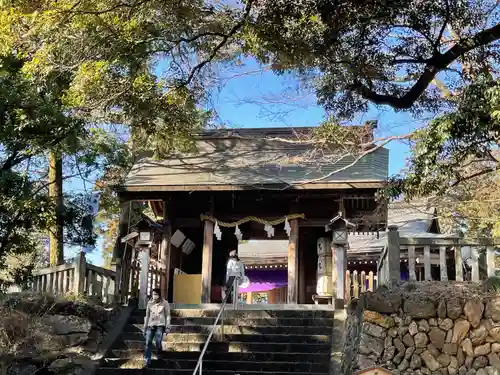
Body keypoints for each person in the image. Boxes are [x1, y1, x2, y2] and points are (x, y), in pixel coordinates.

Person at [143, 288, 171, 366]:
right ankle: (147, 359)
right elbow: (147, 316)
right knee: (148, 342)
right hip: (150, 325)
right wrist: (145, 327)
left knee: (158, 342)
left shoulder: (165, 303)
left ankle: (159, 354)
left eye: (156, 294)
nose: (154, 296)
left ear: (159, 295)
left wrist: (168, 327)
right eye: (153, 294)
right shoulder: (149, 303)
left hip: (160, 325)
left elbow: (168, 315)